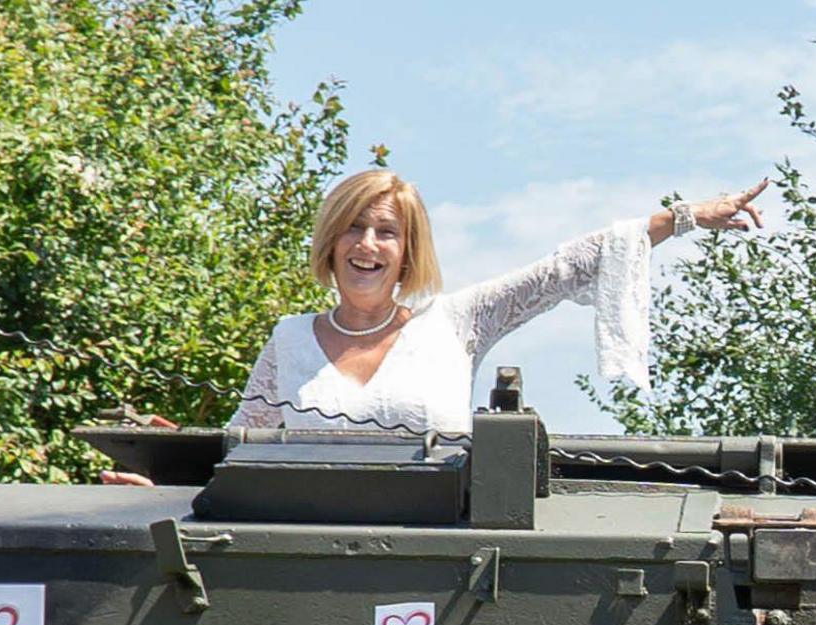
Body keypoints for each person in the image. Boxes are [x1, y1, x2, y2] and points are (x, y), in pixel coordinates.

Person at [234, 168, 770, 434]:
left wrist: (684, 217)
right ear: (330, 241)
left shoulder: (454, 321)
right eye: (353, 228)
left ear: (408, 251)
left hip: (434, 570)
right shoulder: (289, 340)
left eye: (386, 232)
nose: (367, 245)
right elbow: (234, 449)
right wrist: (151, 480)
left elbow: (563, 270)